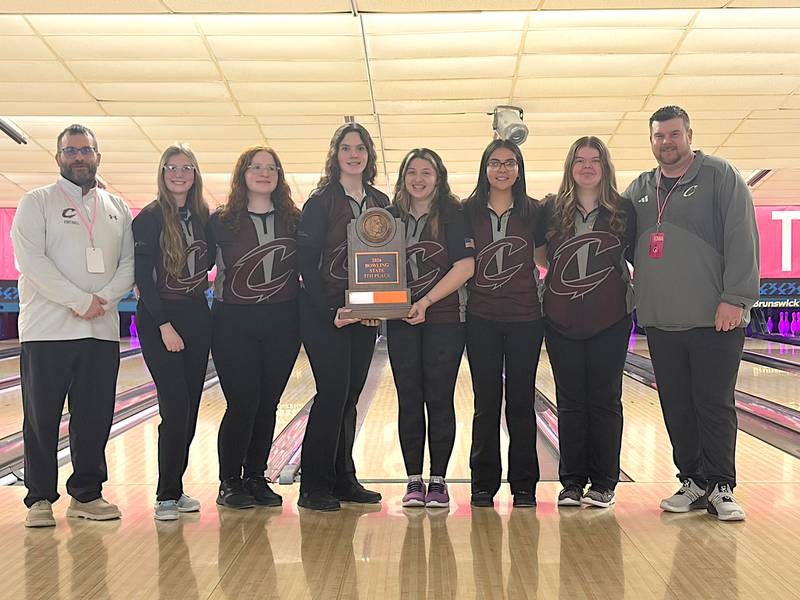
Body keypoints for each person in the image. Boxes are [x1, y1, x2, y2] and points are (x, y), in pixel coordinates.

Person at [623, 105, 759, 521]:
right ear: (651, 141)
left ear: (689, 135)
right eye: (659, 136)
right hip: (661, 319)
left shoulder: (720, 176)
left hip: (713, 318)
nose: (667, 142)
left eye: (674, 134)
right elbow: (616, 239)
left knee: (714, 404)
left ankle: (721, 485)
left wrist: (735, 297)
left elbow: (741, 237)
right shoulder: (640, 189)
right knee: (676, 405)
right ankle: (693, 480)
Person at [12, 124, 134, 527]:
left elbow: (129, 264)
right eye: (71, 151)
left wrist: (106, 300)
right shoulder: (37, 202)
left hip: (100, 331)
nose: (79, 157)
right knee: (42, 416)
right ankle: (39, 499)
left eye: (86, 150)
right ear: (59, 157)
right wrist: (81, 301)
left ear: (98, 155)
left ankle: (87, 494)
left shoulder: (116, 206)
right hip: (48, 330)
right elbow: (32, 263)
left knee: (95, 416)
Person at [536, 136, 636, 509]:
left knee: (605, 400)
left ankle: (605, 482)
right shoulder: (552, 209)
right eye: (580, 160)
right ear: (570, 167)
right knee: (571, 401)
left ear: (605, 167)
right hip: (561, 319)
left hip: (610, 318)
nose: (588, 166)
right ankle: (572, 482)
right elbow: (542, 257)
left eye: (595, 160)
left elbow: (639, 257)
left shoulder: (623, 210)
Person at [296, 123, 388, 511]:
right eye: (346, 148)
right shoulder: (320, 202)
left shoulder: (381, 201)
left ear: (369, 155)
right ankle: (314, 485)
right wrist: (332, 311)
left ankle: (344, 478)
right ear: (336, 155)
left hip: (364, 316)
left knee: (350, 397)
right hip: (326, 314)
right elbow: (305, 263)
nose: (354, 154)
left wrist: (377, 308)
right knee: (332, 395)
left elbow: (387, 260)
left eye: (361, 148)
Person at [208, 146, 302, 509]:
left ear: (278, 176)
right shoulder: (221, 221)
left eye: (271, 168)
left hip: (283, 320)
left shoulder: (294, 219)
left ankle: (256, 476)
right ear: (242, 174)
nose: (264, 173)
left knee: (268, 403)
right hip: (234, 321)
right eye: (255, 167)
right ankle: (229, 480)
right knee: (243, 402)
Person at [386, 149, 475, 509]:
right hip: (399, 321)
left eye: (427, 172)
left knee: (439, 398)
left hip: (445, 320)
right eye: (412, 172)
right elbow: (372, 265)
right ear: (403, 177)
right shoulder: (387, 218)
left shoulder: (453, 214)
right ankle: (413, 480)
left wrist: (425, 302)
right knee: (409, 400)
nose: (419, 179)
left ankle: (438, 480)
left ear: (438, 178)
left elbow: (465, 266)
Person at [464, 139, 545, 508]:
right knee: (486, 401)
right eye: (495, 163)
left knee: (521, 402)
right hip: (480, 318)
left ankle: (524, 485)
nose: (502, 169)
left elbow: (547, 256)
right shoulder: (467, 211)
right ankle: (483, 484)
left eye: (510, 163)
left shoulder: (534, 212)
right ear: (485, 168)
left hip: (526, 318)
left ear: (519, 169)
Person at [132, 144, 211, 521]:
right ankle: (165, 494)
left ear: (195, 175)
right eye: (171, 168)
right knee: (175, 406)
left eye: (186, 168)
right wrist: (163, 324)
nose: (179, 174)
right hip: (159, 319)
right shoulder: (148, 218)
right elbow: (144, 281)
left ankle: (176, 489)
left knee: (191, 408)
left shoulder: (202, 216)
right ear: (162, 174)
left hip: (197, 316)